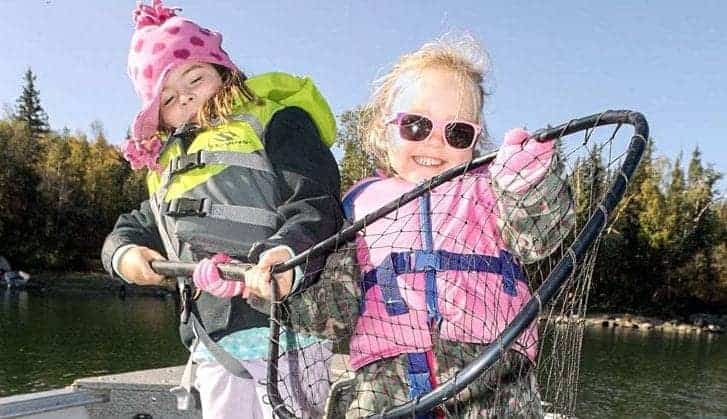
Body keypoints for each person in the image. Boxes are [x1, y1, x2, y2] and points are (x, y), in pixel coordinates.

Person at [259, 34, 575, 418]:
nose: (435, 143)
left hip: (493, 376)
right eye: (416, 125)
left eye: (457, 132)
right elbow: (331, 314)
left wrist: (527, 183)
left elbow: (539, 238)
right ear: (383, 129)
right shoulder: (359, 206)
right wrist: (278, 287)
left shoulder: (492, 187)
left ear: (476, 140)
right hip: (385, 382)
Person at [101, 1, 343, 417]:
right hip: (213, 342)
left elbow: (316, 203)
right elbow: (134, 226)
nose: (188, 96)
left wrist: (285, 254)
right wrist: (124, 254)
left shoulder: (278, 121)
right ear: (159, 118)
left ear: (224, 71)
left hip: (291, 334)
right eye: (170, 98)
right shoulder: (170, 168)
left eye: (195, 77)